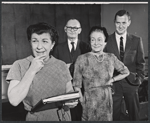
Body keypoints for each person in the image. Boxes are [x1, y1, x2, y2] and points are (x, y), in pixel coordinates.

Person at [6, 22, 78, 121]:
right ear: (30, 43)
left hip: (63, 117)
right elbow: (14, 100)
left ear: (52, 44)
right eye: (35, 41)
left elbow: (69, 91)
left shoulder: (61, 65)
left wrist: (72, 101)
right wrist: (32, 70)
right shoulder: (19, 65)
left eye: (44, 41)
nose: (39, 47)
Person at [73, 26, 130, 121]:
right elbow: (76, 85)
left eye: (99, 39)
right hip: (89, 102)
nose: (96, 43)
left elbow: (126, 72)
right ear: (89, 41)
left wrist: (112, 79)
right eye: (93, 39)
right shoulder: (81, 59)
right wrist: (82, 101)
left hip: (107, 101)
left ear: (105, 42)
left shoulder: (111, 57)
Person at [104, 10, 145, 121]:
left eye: (123, 23)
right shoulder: (107, 40)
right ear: (114, 22)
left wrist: (138, 81)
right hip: (114, 85)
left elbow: (141, 63)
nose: (120, 26)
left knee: (134, 116)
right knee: (113, 116)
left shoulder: (137, 41)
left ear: (129, 23)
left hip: (131, 84)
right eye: (118, 23)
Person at [52, 19, 91, 121]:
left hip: (83, 88)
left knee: (83, 115)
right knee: (67, 116)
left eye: (76, 28)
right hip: (64, 87)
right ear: (65, 29)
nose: (73, 30)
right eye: (70, 28)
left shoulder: (86, 47)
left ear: (80, 30)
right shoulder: (57, 48)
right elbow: (53, 67)